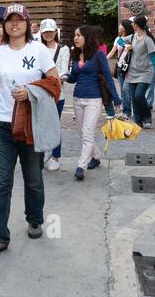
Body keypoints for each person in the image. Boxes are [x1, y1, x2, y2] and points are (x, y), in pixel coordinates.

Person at [0, 4, 58, 257]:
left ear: (27, 23)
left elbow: (56, 84)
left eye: (19, 20)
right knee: (1, 184)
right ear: (4, 25)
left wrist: (31, 91)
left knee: (33, 179)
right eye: (9, 20)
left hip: (30, 125)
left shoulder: (39, 51)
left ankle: (34, 218)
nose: (14, 24)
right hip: (1, 126)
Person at [66, 24, 122, 181]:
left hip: (94, 100)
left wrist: (116, 100)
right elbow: (74, 77)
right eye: (74, 35)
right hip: (77, 98)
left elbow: (108, 77)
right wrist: (64, 77)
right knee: (81, 133)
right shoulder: (76, 55)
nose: (75, 38)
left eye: (78, 35)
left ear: (87, 37)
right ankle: (96, 156)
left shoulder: (98, 55)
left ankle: (80, 166)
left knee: (88, 132)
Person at [39, 18, 71, 172]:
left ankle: (56, 157)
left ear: (56, 31)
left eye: (51, 31)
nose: (48, 34)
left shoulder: (63, 49)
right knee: (42, 124)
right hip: (40, 93)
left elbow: (63, 70)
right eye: (45, 32)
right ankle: (45, 152)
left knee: (55, 125)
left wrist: (58, 78)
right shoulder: (37, 48)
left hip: (58, 93)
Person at [126, 15, 155, 129]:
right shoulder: (133, 36)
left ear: (137, 25)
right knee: (134, 98)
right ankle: (138, 122)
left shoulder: (148, 40)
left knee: (139, 96)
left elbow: (153, 57)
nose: (132, 25)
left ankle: (147, 115)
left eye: (133, 23)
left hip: (145, 72)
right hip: (132, 71)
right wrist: (127, 46)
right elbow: (118, 41)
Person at [106, 19, 134, 118]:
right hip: (120, 66)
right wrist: (104, 60)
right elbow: (113, 51)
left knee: (127, 89)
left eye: (121, 25)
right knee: (123, 89)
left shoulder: (132, 38)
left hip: (130, 67)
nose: (119, 27)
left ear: (125, 26)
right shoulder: (118, 39)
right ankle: (127, 109)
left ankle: (128, 111)